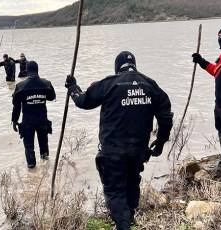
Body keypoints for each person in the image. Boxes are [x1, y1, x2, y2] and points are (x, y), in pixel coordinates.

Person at [65, 51, 173, 230]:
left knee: (114, 191)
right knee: (132, 181)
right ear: (135, 65)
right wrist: (161, 141)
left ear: (117, 67)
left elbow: (83, 101)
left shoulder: (109, 83)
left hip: (113, 151)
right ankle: (129, 219)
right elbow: (165, 115)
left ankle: (124, 225)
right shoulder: (150, 85)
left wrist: (73, 88)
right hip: (139, 150)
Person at [192, 24, 221, 175]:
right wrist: (201, 62)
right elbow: (216, 71)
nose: (220, 40)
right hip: (219, 104)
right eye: (219, 37)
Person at [11, 61, 56, 168]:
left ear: (27, 70)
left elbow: (16, 105)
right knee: (44, 147)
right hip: (42, 120)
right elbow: (52, 97)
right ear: (37, 70)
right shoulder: (46, 84)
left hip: (28, 122)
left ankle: (32, 169)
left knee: (29, 147)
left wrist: (14, 120)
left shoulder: (20, 86)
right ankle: (46, 169)